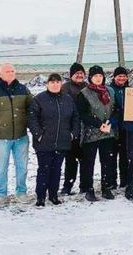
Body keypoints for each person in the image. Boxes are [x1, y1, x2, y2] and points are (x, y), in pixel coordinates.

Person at [28, 73, 80, 207]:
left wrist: (72, 134)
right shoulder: (39, 99)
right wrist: (38, 134)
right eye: (52, 82)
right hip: (44, 142)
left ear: (61, 84)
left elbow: (75, 118)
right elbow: (32, 119)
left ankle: (53, 195)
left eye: (58, 82)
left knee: (56, 170)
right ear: (47, 84)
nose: (55, 84)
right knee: (44, 170)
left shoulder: (67, 99)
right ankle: (40, 196)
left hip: (62, 142)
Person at [0, 63, 35, 206]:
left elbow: (32, 107)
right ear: (0, 74)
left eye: (12, 71)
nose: (10, 73)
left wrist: (29, 123)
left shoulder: (22, 89)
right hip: (1, 138)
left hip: (21, 136)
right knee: (1, 167)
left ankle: (21, 192)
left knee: (22, 166)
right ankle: (0, 194)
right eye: (7, 71)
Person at [77, 65, 117, 202]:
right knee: (89, 163)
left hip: (108, 132)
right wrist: (99, 124)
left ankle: (106, 187)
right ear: (90, 78)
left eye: (100, 76)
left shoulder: (110, 91)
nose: (98, 78)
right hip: (91, 133)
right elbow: (82, 114)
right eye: (95, 76)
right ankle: (89, 189)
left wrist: (110, 122)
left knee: (107, 161)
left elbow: (115, 109)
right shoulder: (84, 93)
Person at [61, 62, 86, 196]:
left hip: (85, 129)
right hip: (70, 129)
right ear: (71, 75)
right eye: (77, 73)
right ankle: (68, 186)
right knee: (70, 160)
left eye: (81, 73)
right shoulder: (65, 88)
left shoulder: (88, 87)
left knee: (85, 160)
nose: (79, 75)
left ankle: (84, 185)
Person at [111, 66, 129, 189]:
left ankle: (125, 180)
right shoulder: (110, 90)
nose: (122, 78)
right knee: (112, 156)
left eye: (124, 76)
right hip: (113, 127)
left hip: (126, 127)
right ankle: (112, 181)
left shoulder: (131, 90)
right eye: (119, 76)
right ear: (114, 77)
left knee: (125, 155)